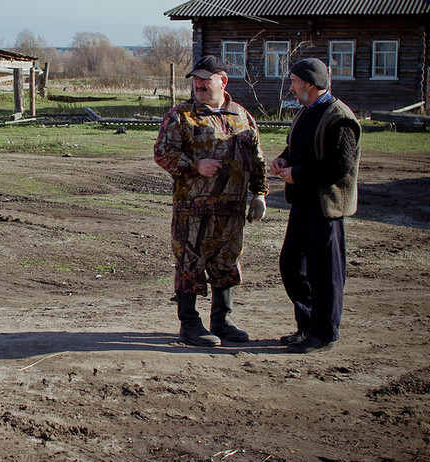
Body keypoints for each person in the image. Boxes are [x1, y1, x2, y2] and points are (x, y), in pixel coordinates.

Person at [154, 55, 268, 347]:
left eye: (206, 79)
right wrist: (195, 165)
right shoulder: (181, 116)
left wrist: (259, 194)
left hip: (231, 212)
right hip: (194, 212)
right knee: (190, 264)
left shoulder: (242, 117)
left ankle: (222, 320)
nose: (200, 84)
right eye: (196, 80)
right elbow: (162, 153)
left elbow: (256, 160)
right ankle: (189, 325)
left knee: (226, 264)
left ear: (223, 80)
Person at [269, 58, 361, 353]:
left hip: (325, 209)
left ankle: (325, 332)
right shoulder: (307, 112)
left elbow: (339, 167)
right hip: (302, 204)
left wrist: (298, 173)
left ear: (309, 83)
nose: (292, 87)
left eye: (295, 81)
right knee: (291, 265)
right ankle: (308, 325)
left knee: (325, 273)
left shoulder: (339, 117)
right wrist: (285, 159)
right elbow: (300, 148)